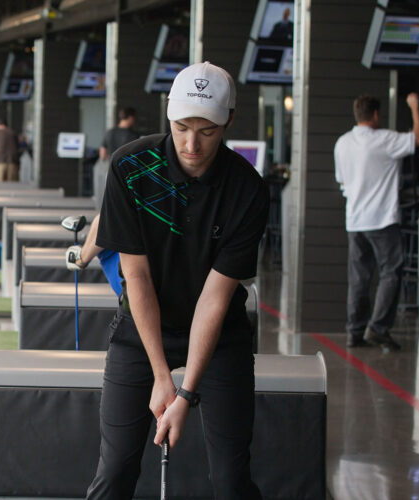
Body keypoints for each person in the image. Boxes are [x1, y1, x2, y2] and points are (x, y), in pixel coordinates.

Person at [85, 62, 268, 499]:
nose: (191, 143)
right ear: (168, 114)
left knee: (230, 479)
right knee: (115, 470)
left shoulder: (247, 189)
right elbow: (137, 277)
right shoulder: (131, 167)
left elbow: (214, 298)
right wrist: (160, 373)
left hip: (219, 334)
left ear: (228, 123)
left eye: (206, 131)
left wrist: (183, 394)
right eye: (182, 127)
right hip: (143, 328)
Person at [334, 93, 419, 350]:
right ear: (375, 115)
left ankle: (355, 331)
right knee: (391, 271)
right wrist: (415, 106)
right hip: (382, 219)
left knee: (359, 278)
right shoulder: (384, 139)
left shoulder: (342, 143)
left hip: (355, 220)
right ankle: (378, 328)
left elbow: (342, 181)